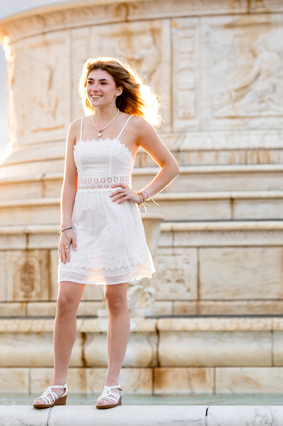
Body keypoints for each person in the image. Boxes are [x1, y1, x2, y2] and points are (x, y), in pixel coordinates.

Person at [32, 57, 178, 410]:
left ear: (118, 88)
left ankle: (112, 385)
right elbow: (69, 182)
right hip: (81, 221)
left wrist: (140, 194)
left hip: (117, 221)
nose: (94, 89)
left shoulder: (135, 125)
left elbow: (170, 166)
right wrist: (65, 226)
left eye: (101, 83)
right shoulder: (76, 128)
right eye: (90, 83)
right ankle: (58, 385)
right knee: (65, 300)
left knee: (116, 300)